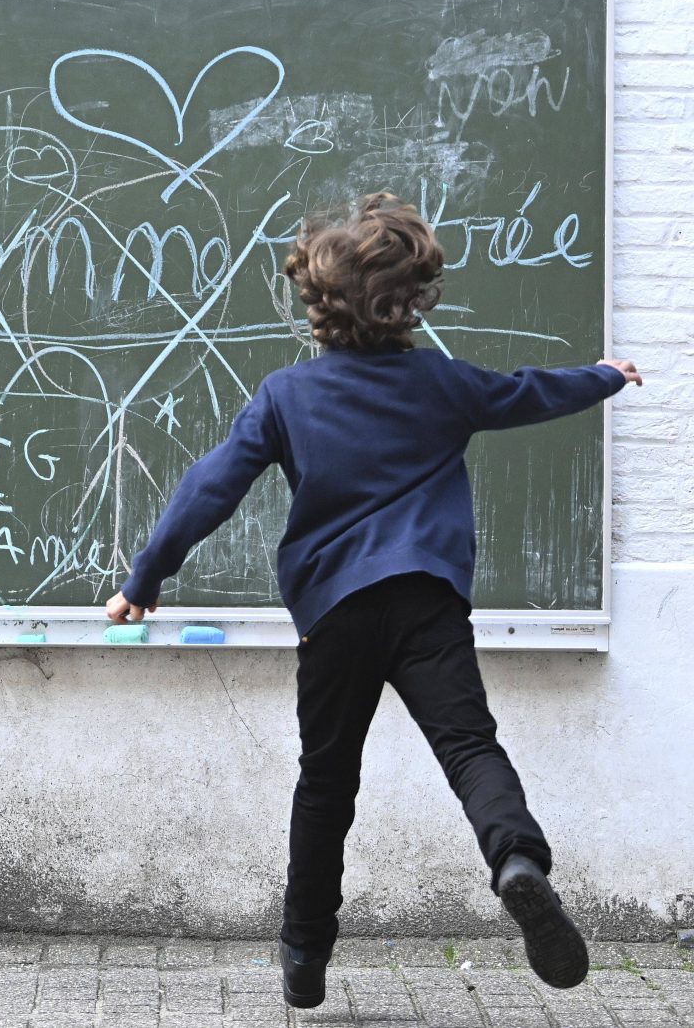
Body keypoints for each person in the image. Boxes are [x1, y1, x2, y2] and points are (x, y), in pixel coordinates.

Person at [103, 190, 641, 1009]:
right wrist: (605, 377)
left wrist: (145, 579)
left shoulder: (287, 395)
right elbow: (531, 392)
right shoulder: (441, 382)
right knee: (469, 748)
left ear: (319, 307)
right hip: (426, 601)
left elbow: (208, 487)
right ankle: (516, 860)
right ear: (411, 300)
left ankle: (304, 953)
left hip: (336, 616)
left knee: (327, 782)